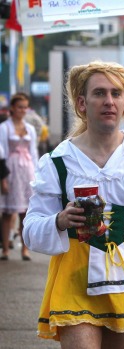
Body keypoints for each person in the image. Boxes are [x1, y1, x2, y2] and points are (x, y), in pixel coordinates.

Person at [22, 61, 124, 346]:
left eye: (116, 93)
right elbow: (30, 231)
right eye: (99, 93)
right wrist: (59, 221)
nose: (109, 101)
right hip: (75, 275)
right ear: (82, 102)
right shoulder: (58, 162)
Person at [0, 93, 38, 261]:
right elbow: (3, 153)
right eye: (20, 107)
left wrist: (37, 177)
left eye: (25, 107)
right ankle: (6, 249)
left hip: (27, 170)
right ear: (13, 108)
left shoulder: (29, 128)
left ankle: (25, 249)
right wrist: (3, 178)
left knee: (26, 212)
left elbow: (34, 152)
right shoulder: (4, 128)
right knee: (9, 211)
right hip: (11, 169)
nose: (23, 110)